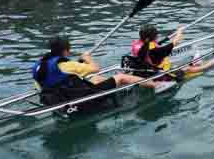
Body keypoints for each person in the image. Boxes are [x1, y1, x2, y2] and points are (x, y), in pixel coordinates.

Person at [32, 36, 162, 115]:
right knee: (122, 76)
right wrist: (87, 58)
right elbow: (96, 68)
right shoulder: (69, 65)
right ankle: (157, 84)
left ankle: (119, 90)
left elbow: (45, 84)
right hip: (83, 101)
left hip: (60, 99)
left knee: (96, 79)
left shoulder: (40, 66)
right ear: (65, 50)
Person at [125, 25, 214, 80]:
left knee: (174, 64)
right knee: (186, 69)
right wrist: (179, 31)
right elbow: (176, 41)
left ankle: (196, 62)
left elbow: (147, 47)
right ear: (154, 37)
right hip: (156, 74)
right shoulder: (156, 50)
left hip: (140, 70)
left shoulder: (135, 44)